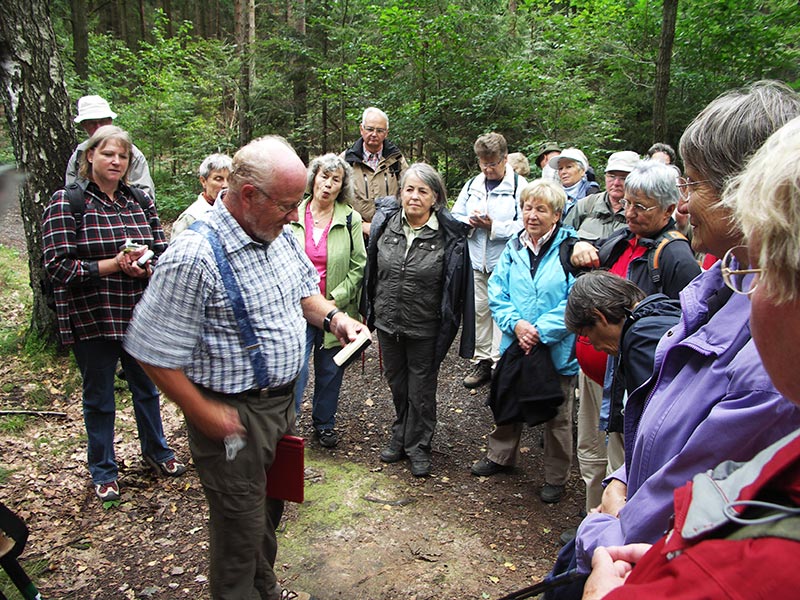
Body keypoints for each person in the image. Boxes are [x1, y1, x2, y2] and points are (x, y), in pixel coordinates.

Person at [568, 80, 800, 583]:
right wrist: (623, 474)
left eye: (693, 185)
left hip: (646, 560)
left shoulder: (778, 346)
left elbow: (700, 478)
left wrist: (602, 527)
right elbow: (667, 413)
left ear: (749, 192)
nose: (683, 204)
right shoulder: (719, 290)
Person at [124, 135, 363, 600]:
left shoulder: (278, 236)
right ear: (249, 194)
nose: (296, 214)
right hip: (231, 418)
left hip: (281, 409)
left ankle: (264, 587)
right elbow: (149, 349)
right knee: (239, 527)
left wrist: (335, 318)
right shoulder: (195, 255)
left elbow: (303, 296)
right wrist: (203, 412)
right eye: (288, 204)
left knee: (269, 511)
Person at [42, 125, 185, 503]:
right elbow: (58, 266)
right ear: (90, 156)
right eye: (108, 154)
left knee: (147, 388)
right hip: (92, 317)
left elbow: (160, 250)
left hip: (139, 316)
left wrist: (145, 265)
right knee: (99, 397)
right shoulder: (67, 202)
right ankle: (103, 470)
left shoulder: (139, 200)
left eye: (123, 156)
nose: (116, 162)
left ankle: (158, 452)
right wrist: (113, 265)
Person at [469, 179, 578, 505]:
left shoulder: (569, 249)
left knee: (557, 413)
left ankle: (556, 477)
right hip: (516, 343)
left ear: (556, 214)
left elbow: (575, 299)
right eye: (527, 208)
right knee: (509, 400)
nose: (532, 215)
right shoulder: (514, 247)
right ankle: (501, 456)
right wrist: (516, 325)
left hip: (555, 347)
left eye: (540, 209)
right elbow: (497, 293)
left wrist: (539, 331)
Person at [365, 163, 474, 478]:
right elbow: (373, 270)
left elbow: (456, 287)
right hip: (388, 321)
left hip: (425, 325)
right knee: (397, 384)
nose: (414, 196)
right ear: (400, 194)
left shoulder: (449, 237)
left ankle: (418, 446)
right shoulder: (386, 223)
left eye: (422, 191)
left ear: (435, 198)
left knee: (421, 389)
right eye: (409, 189)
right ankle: (401, 433)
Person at [290, 153, 366, 448]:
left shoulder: (350, 218)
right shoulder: (294, 214)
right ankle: (288, 424)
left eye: (336, 180)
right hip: (297, 307)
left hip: (335, 307)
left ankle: (324, 423)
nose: (328, 184)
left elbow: (359, 264)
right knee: (295, 368)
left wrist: (336, 299)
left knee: (330, 368)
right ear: (313, 178)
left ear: (342, 185)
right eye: (324, 176)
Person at [564, 272, 682, 463]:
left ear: (599, 316)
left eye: (587, 334)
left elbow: (656, 421)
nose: (594, 346)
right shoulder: (660, 311)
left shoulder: (640, 338)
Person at [452, 132, 525, 389]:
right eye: (483, 163)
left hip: (505, 262)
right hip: (475, 260)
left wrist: (495, 227)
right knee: (479, 310)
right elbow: (456, 215)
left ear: (505, 159)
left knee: (502, 311)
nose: (487, 168)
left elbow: (527, 226)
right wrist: (470, 224)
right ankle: (483, 359)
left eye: (492, 163)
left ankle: (501, 362)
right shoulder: (473, 184)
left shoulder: (519, 186)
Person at [65, 95, 155, 199]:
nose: (98, 127)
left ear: (110, 121)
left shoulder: (132, 154)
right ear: (84, 125)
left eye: (103, 121)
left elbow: (146, 196)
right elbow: (71, 194)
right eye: (92, 123)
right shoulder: (79, 155)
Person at [342, 107, 409, 237]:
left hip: (391, 233)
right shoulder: (346, 161)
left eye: (380, 130)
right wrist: (359, 224)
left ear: (386, 133)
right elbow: (336, 200)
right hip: (355, 234)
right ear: (361, 129)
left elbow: (408, 192)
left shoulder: (396, 160)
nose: (374, 134)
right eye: (370, 129)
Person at [171, 153, 232, 238]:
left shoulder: (235, 213)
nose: (225, 185)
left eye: (229, 179)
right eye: (218, 179)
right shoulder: (191, 218)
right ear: (203, 181)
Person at [549, 148, 600, 217]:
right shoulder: (553, 194)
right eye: (560, 168)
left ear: (582, 171)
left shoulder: (592, 193)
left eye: (569, 167)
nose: (563, 172)